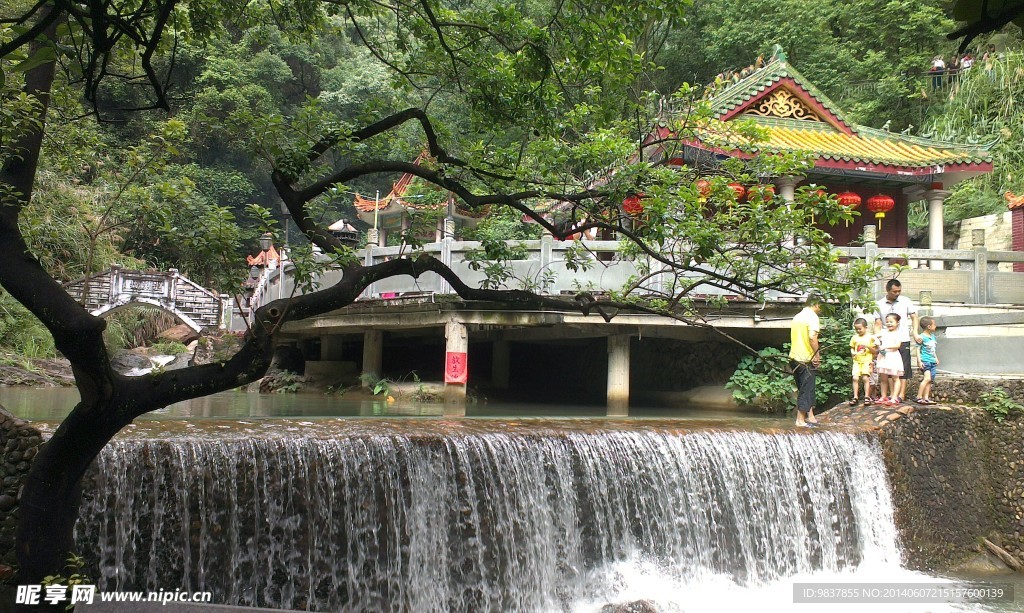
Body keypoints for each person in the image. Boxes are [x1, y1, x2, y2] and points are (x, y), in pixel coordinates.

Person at [873, 279, 918, 404]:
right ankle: (887, 395)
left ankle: (901, 395)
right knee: (886, 369)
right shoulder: (879, 304)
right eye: (894, 291)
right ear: (887, 290)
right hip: (886, 341)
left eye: (899, 291)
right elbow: (877, 323)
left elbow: (914, 317)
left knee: (902, 368)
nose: (897, 293)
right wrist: (878, 338)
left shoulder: (906, 301)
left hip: (902, 338)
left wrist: (914, 332)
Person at [790, 295, 822, 427]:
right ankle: (800, 420)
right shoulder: (812, 317)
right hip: (806, 358)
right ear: (815, 304)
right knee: (807, 389)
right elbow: (812, 337)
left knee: (804, 387)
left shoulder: (798, 316)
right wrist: (817, 356)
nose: (821, 309)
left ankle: (810, 416)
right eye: (820, 306)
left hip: (794, 358)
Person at [876, 313, 905, 405]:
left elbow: (897, 346)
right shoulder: (884, 332)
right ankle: (883, 396)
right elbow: (875, 337)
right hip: (884, 356)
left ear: (897, 323)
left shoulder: (898, 333)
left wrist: (885, 346)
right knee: (883, 377)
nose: (889, 323)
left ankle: (894, 397)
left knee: (895, 377)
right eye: (887, 322)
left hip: (893, 356)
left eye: (891, 322)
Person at [848, 317, 878, 406]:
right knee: (855, 378)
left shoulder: (870, 338)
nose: (858, 330)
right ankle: (855, 397)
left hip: (866, 361)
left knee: (865, 378)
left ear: (866, 328)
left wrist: (867, 347)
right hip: (857, 361)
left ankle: (867, 396)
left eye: (860, 329)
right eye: (856, 329)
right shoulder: (854, 337)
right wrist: (853, 353)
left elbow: (875, 351)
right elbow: (852, 347)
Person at [914, 316, 940, 405]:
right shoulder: (921, 337)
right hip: (925, 360)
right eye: (934, 324)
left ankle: (926, 397)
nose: (935, 326)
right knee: (927, 378)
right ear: (929, 326)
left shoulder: (932, 337)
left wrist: (936, 358)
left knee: (930, 380)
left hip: (932, 360)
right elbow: (917, 349)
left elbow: (933, 350)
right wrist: (919, 361)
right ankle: (919, 396)